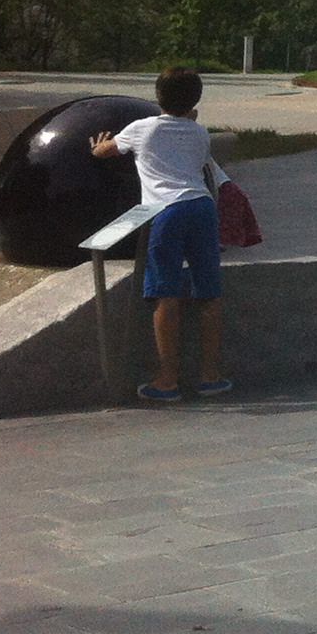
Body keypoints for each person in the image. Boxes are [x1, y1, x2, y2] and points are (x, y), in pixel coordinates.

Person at [92, 67, 230, 403]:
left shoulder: (142, 129)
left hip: (167, 212)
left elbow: (106, 151)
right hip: (202, 207)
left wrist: (97, 144)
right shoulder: (200, 133)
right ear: (195, 102)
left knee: (165, 293)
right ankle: (209, 376)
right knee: (208, 293)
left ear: (158, 98)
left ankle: (167, 380)